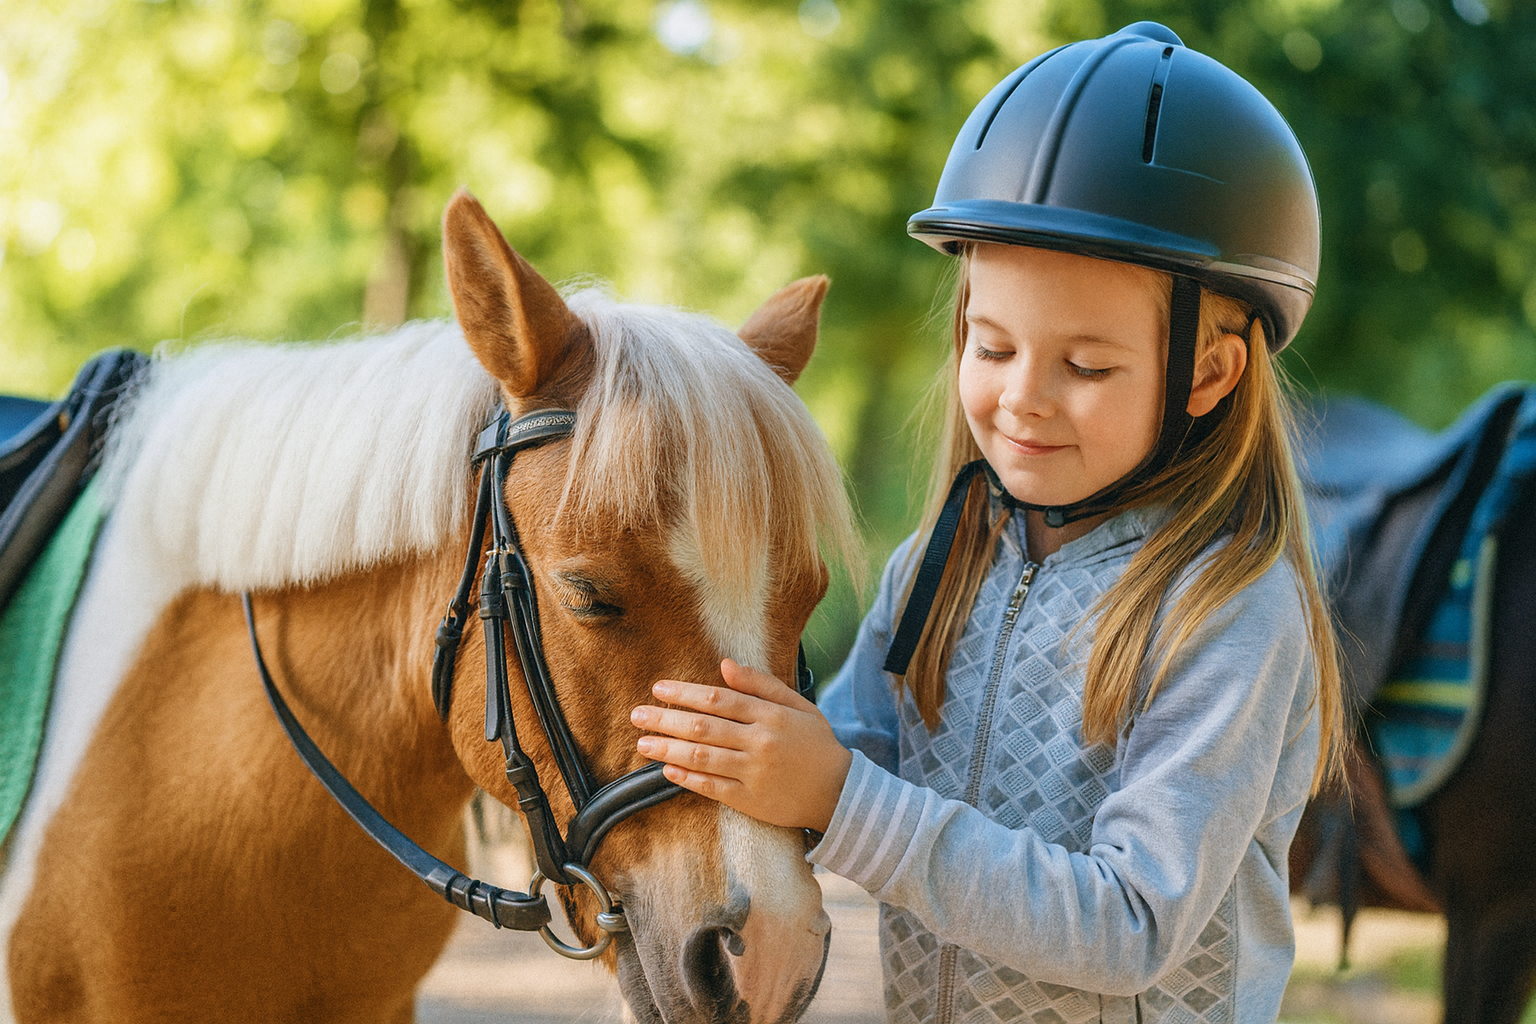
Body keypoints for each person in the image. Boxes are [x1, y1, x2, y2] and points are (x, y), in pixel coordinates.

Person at [630, 21, 1343, 1024]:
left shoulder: (1227, 608)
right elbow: (842, 754)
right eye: (992, 345)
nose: (1022, 398)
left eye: (1086, 365)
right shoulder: (939, 563)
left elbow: (1134, 919)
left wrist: (837, 796)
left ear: (1210, 372)